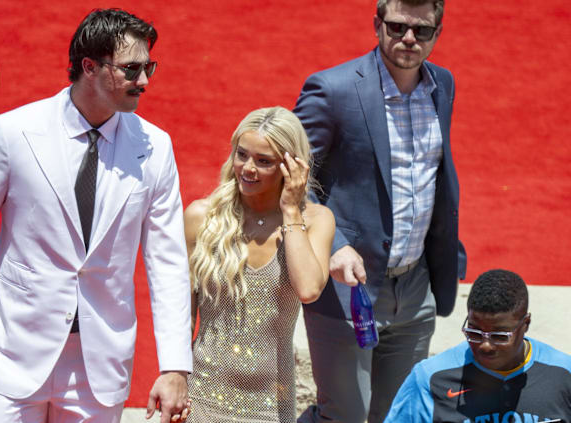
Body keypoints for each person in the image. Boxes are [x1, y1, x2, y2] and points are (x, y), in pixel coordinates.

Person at [0, 8, 192, 423]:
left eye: (149, 67)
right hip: (12, 352)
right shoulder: (14, 132)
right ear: (89, 66)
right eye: (132, 69)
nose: (145, 81)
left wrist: (174, 366)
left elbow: (168, 261)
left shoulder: (156, 147)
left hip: (99, 364)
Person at [294, 0, 467, 421]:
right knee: (346, 414)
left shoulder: (442, 86)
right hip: (347, 288)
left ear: (437, 34)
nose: (408, 38)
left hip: (415, 285)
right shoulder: (332, 89)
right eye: (397, 26)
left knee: (397, 415)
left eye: (422, 31)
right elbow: (293, 181)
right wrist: (332, 244)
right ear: (377, 25)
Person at [184, 107, 334, 422]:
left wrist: (291, 211)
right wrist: (174, 379)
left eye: (263, 161)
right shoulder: (202, 218)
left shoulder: (316, 221)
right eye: (242, 155)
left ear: (292, 166)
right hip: (200, 397)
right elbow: (182, 314)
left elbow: (308, 289)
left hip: (271, 407)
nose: (248, 168)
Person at [385, 269, 571, 422]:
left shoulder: (564, 375)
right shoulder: (430, 378)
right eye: (474, 333)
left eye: (499, 336)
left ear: (526, 324)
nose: (485, 345)